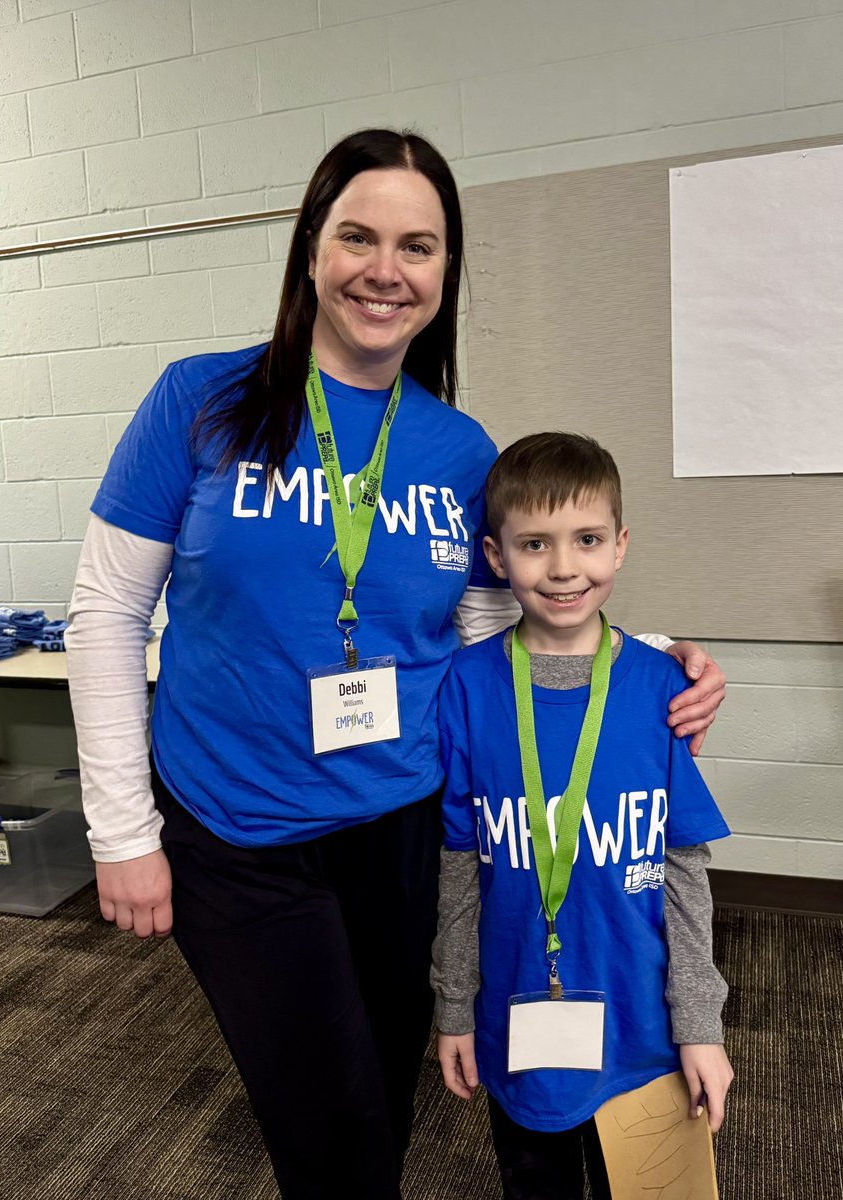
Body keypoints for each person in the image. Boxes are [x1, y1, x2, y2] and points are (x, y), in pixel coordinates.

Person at [65, 130, 726, 1200]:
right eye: (358, 236)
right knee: (334, 1138)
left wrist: (650, 662)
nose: (387, 268)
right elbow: (105, 617)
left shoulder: (460, 451)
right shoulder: (200, 402)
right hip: (239, 834)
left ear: (445, 270)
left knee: (381, 1094)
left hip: (406, 828)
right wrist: (123, 830)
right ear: (310, 251)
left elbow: (486, 635)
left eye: (419, 245)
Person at [432, 431, 734, 1200]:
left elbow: (683, 871)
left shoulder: (660, 685)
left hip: (644, 1029)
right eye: (535, 544)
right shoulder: (466, 687)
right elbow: (459, 866)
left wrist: (701, 1026)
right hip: (519, 1018)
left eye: (588, 539)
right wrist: (454, 1007)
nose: (565, 568)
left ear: (621, 545)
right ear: (496, 558)